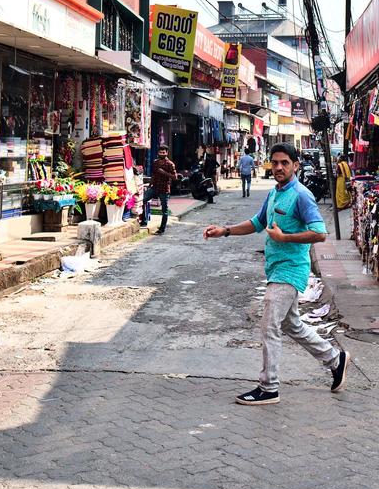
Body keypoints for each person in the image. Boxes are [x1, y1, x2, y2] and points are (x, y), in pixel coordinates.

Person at [203, 141, 350, 406]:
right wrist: (224, 230)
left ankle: (269, 387)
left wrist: (285, 237)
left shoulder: (302, 195)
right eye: (275, 162)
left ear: (295, 165)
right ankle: (335, 359)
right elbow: (257, 223)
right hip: (274, 268)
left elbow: (320, 232)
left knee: (269, 324)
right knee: (290, 324)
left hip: (290, 270)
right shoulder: (274, 193)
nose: (279, 167)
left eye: (285, 163)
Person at [142, 146, 177, 235]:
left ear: (167, 153)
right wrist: (150, 184)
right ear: (158, 153)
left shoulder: (170, 164)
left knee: (164, 210)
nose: (162, 154)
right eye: (160, 152)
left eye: (163, 152)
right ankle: (144, 221)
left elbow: (175, 177)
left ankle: (162, 229)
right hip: (154, 187)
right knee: (142, 201)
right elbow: (153, 174)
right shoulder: (155, 162)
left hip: (164, 188)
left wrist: (164, 172)